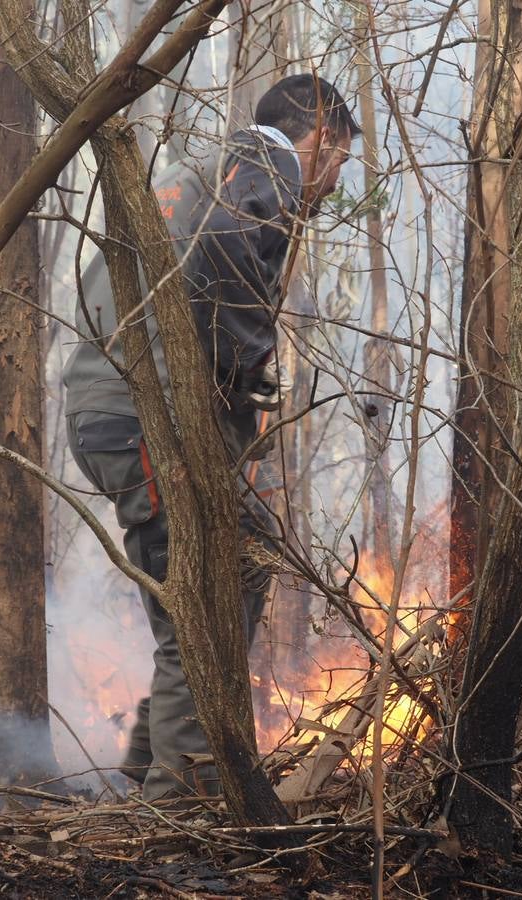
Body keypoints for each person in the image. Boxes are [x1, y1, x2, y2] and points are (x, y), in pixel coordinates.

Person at [63, 74, 358, 801]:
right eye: (341, 160)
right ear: (318, 137)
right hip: (142, 418)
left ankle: (151, 766)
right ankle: (179, 801)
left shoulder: (200, 168)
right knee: (207, 587)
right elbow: (228, 240)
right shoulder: (262, 170)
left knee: (235, 560)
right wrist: (250, 361)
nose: (333, 182)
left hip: (119, 407)